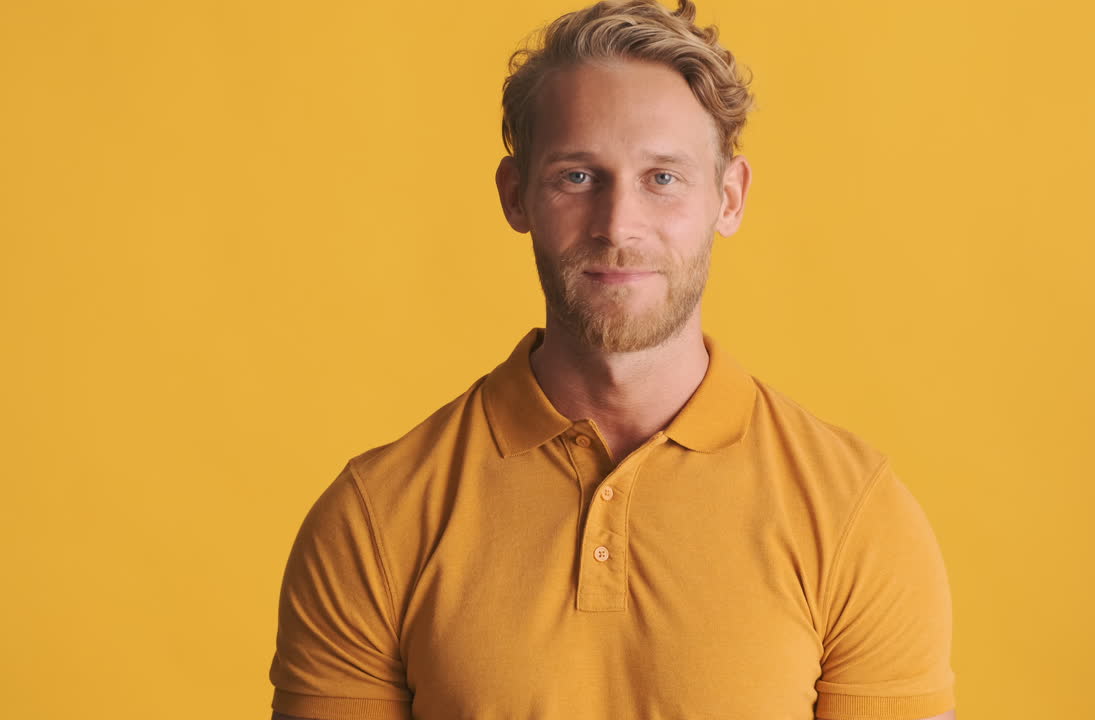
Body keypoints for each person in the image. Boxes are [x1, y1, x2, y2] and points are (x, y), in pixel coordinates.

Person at [268, 1, 957, 718]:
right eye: (576, 177)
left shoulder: (855, 516)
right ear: (516, 195)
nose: (618, 225)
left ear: (728, 198)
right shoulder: (374, 518)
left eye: (663, 177)